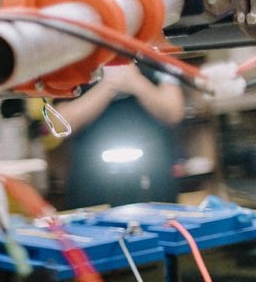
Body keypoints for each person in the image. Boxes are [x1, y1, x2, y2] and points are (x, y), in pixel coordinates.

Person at [54, 62, 186, 209]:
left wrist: (135, 82)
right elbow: (60, 125)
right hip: (91, 188)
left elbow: (174, 112)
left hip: (156, 184)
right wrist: (107, 86)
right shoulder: (73, 55)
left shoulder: (154, 50)